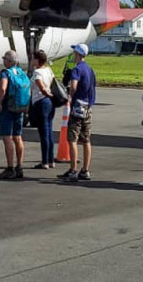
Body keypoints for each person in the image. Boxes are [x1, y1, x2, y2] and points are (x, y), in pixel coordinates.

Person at [59, 43, 96, 182]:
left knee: (72, 139)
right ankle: (85, 169)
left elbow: (73, 86)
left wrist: (70, 94)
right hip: (88, 106)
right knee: (86, 139)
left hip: (77, 106)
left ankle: (73, 169)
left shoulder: (76, 70)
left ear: (77, 54)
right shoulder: (90, 69)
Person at [0, 50, 26, 179]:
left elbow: (3, 88)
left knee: (7, 137)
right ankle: (19, 166)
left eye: (4, 59)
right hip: (19, 107)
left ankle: (10, 167)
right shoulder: (21, 72)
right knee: (17, 137)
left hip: (8, 107)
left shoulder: (5, 73)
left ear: (8, 61)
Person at [30, 50, 55, 169]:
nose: (32, 60)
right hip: (49, 103)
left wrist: (47, 94)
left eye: (33, 58)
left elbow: (41, 87)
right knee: (49, 131)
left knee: (43, 132)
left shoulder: (37, 72)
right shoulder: (49, 70)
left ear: (37, 60)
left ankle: (45, 161)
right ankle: (50, 159)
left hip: (41, 102)